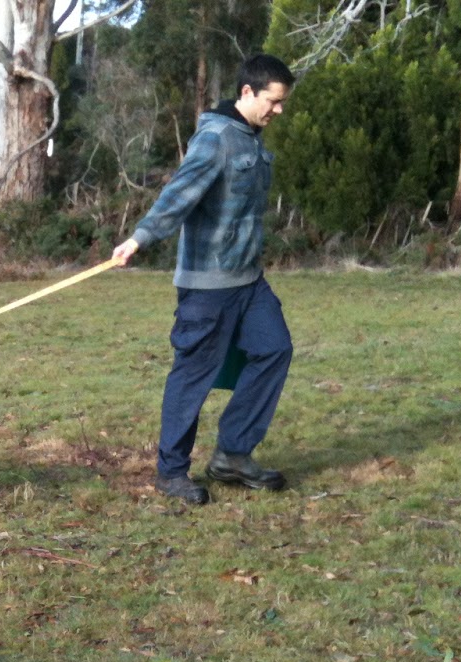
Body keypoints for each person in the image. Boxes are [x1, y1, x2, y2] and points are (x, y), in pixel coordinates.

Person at [113, 54, 296, 505]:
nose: (279, 111)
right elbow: (179, 194)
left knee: (274, 349)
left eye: (283, 103)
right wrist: (140, 238)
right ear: (248, 92)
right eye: (274, 101)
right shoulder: (215, 138)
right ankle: (171, 472)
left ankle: (232, 455)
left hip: (249, 281)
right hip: (208, 285)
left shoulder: (251, 138)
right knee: (193, 376)